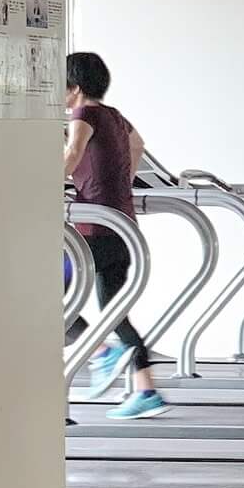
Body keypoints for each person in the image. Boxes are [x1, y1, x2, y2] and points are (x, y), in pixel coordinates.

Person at [63, 51, 168, 420]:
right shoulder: (114, 116)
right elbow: (137, 145)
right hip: (122, 225)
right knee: (115, 311)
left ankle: (100, 351)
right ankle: (146, 390)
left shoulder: (82, 114)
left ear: (74, 88)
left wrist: (45, 182)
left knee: (44, 299)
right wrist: (119, 181)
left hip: (94, 229)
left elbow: (73, 152)